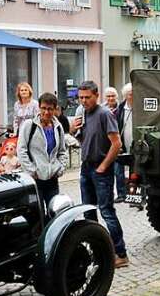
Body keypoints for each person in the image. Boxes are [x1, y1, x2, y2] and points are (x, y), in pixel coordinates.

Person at [71, 81, 128, 268]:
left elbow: (117, 144)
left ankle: (120, 253)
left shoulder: (104, 114)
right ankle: (97, 251)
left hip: (100, 169)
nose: (84, 101)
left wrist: (104, 166)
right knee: (88, 212)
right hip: (86, 168)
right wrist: (73, 132)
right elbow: (85, 140)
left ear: (96, 96)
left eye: (87, 97)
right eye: (81, 97)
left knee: (106, 211)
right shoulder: (84, 114)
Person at [17, 92, 68, 206]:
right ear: (39, 108)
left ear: (55, 109)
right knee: (37, 213)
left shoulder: (58, 127)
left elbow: (62, 151)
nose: (46, 112)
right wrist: (31, 171)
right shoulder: (29, 125)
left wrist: (60, 168)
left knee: (54, 211)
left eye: (50, 109)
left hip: (52, 178)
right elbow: (21, 150)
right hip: (35, 178)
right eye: (43, 108)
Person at [114, 83, 132, 202]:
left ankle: (134, 195)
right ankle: (121, 194)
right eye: (131, 94)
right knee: (118, 170)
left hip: (136, 145)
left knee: (134, 171)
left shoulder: (140, 107)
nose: (134, 96)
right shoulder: (120, 108)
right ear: (126, 96)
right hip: (122, 144)